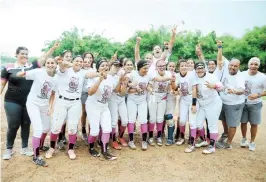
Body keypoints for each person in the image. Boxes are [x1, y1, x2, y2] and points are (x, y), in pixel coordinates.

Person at [1, 42, 59, 160]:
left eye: (26, 54)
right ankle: (9, 149)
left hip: (28, 101)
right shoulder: (8, 67)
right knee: (13, 124)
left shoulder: (31, 67)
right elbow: (2, 84)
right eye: (22, 53)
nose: (25, 56)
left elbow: (44, 58)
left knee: (26, 124)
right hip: (12, 100)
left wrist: (52, 49)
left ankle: (24, 147)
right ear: (16, 54)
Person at [45, 55, 94, 160]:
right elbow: (61, 66)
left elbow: (90, 74)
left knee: (72, 127)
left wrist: (100, 73)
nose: (80, 63)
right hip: (62, 101)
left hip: (75, 102)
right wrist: (63, 63)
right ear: (73, 61)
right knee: (56, 126)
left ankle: (71, 149)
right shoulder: (66, 69)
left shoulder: (83, 72)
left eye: (81, 61)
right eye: (77, 61)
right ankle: (52, 148)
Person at [16, 57, 58, 166]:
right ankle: (36, 156)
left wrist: (50, 107)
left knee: (47, 127)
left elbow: (53, 94)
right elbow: (24, 74)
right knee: (38, 129)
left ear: (55, 65)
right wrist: (21, 73)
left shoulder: (56, 79)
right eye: (48, 63)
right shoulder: (38, 72)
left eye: (52, 63)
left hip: (44, 105)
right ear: (45, 65)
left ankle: (39, 145)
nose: (50, 65)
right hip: (33, 103)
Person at [126, 60, 174, 150]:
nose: (146, 70)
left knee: (143, 120)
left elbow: (160, 79)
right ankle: (131, 141)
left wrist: (170, 78)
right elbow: (125, 85)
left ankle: (144, 141)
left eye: (147, 68)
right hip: (132, 100)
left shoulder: (149, 75)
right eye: (144, 68)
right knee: (131, 119)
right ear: (139, 68)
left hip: (142, 101)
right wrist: (132, 85)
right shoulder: (132, 74)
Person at [86, 59, 117, 160]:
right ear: (98, 68)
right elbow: (90, 92)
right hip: (93, 106)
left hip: (104, 107)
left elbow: (117, 90)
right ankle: (91, 147)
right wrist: (100, 79)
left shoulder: (111, 79)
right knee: (94, 131)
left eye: (106, 65)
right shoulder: (93, 78)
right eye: (102, 65)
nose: (104, 67)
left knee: (107, 129)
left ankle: (105, 151)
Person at [192, 62, 223, 154]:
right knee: (198, 123)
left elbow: (221, 87)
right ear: (195, 70)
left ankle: (212, 146)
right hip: (202, 105)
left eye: (202, 68)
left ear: (205, 69)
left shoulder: (211, 76)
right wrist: (194, 104)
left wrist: (214, 86)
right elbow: (194, 91)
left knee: (212, 125)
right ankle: (204, 140)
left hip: (213, 104)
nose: (200, 70)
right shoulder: (195, 78)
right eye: (198, 68)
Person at [215, 58, 245, 149]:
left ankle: (228, 144)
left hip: (234, 104)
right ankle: (226, 134)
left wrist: (235, 91)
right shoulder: (225, 68)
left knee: (232, 124)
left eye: (235, 66)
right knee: (223, 119)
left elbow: (242, 90)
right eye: (231, 65)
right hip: (223, 102)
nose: (232, 67)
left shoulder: (240, 76)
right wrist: (219, 46)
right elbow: (220, 57)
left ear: (239, 67)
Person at [240, 57, 266, 151]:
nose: (253, 66)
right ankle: (243, 139)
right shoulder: (242, 74)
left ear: (258, 66)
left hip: (256, 104)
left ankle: (252, 142)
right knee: (243, 122)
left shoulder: (263, 77)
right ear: (248, 65)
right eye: (251, 64)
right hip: (243, 102)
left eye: (256, 64)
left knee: (254, 124)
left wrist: (258, 95)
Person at [147, 60, 175, 146]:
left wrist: (171, 91)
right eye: (160, 66)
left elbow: (170, 86)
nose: (162, 67)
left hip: (163, 97)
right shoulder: (153, 74)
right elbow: (149, 86)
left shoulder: (169, 74)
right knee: (152, 118)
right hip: (154, 96)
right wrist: (151, 90)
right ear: (156, 67)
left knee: (160, 118)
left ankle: (158, 136)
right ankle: (150, 137)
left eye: (163, 65)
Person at [108, 60, 129, 150]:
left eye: (118, 66)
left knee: (125, 121)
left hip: (121, 100)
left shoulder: (121, 75)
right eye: (115, 65)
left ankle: (120, 137)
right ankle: (113, 140)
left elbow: (123, 93)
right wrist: (120, 81)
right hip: (112, 101)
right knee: (113, 122)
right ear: (111, 66)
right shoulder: (108, 76)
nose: (117, 67)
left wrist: (124, 83)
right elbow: (116, 90)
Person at [80, 52, 95, 143]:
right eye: (85, 60)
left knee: (91, 113)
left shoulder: (94, 69)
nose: (87, 62)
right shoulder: (80, 70)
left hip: (92, 93)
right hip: (83, 93)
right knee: (84, 112)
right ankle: (83, 130)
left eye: (89, 61)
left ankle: (91, 132)